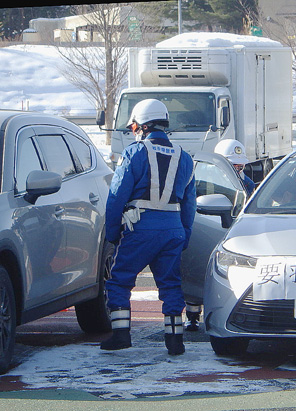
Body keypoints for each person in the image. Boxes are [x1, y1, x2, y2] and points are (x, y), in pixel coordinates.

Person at [100, 99, 196, 355]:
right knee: (171, 285)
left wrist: (112, 232)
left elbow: (116, 196)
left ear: (142, 125)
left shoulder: (134, 152)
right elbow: (189, 204)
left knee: (119, 281)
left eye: (133, 126)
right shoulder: (184, 157)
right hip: (173, 229)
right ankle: (175, 341)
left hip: (140, 228)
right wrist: (184, 234)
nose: (133, 131)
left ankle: (120, 335)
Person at [182, 139, 255, 332]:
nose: (238, 169)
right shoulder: (201, 181)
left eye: (241, 165)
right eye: (234, 165)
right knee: (196, 270)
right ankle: (192, 314)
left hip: (232, 233)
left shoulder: (247, 184)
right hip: (208, 228)